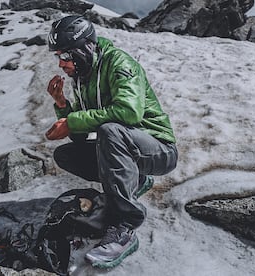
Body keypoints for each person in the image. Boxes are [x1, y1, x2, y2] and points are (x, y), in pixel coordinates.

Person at [45, 15, 178, 269]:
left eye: (66, 56)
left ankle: (125, 227)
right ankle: (134, 180)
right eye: (59, 57)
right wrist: (62, 105)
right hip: (128, 148)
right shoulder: (83, 79)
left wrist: (72, 121)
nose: (62, 64)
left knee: (110, 131)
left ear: (83, 49)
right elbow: (81, 136)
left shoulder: (118, 63)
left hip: (159, 149)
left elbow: (129, 113)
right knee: (66, 154)